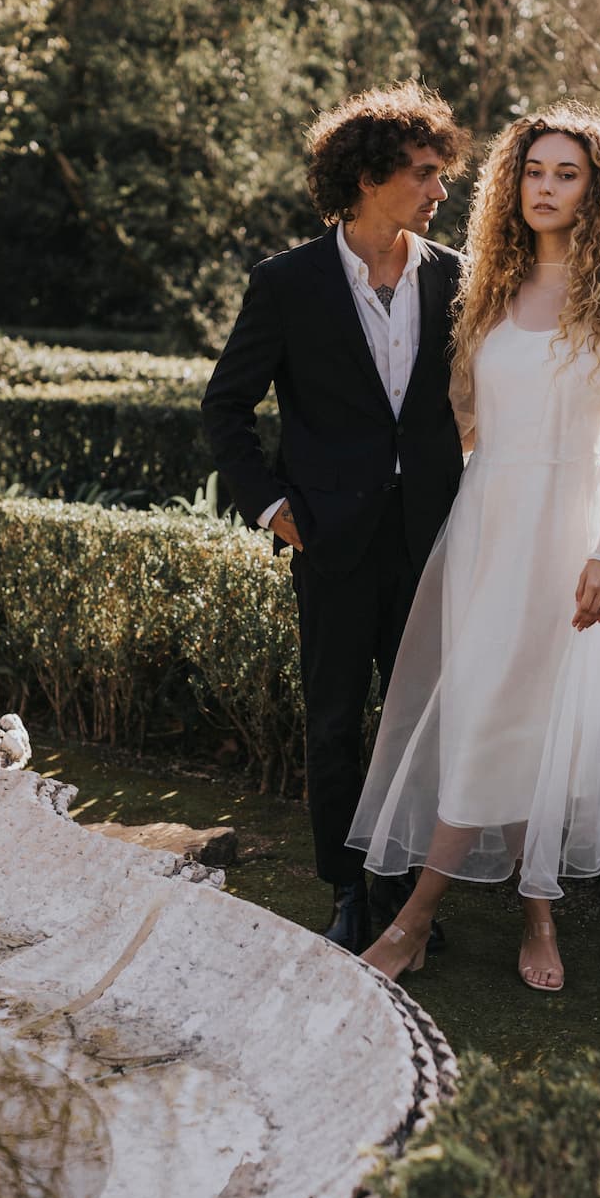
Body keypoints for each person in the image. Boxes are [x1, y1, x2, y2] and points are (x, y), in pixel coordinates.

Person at [347, 102, 600, 991]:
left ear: (596, 190)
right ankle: (504, 914)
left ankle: (436, 917)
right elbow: (461, 423)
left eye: (566, 173)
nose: (546, 187)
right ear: (514, 184)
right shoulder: (488, 291)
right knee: (479, 706)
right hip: (486, 526)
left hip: (568, 533)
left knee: (533, 717)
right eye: (534, 171)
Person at [201, 83, 472, 952]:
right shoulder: (287, 283)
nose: (439, 192)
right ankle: (348, 888)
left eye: (441, 176)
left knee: (419, 720)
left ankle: (404, 889)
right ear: (365, 177)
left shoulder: (458, 277)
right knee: (334, 719)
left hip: (432, 541)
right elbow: (226, 408)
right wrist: (273, 506)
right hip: (329, 538)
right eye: (425, 174)